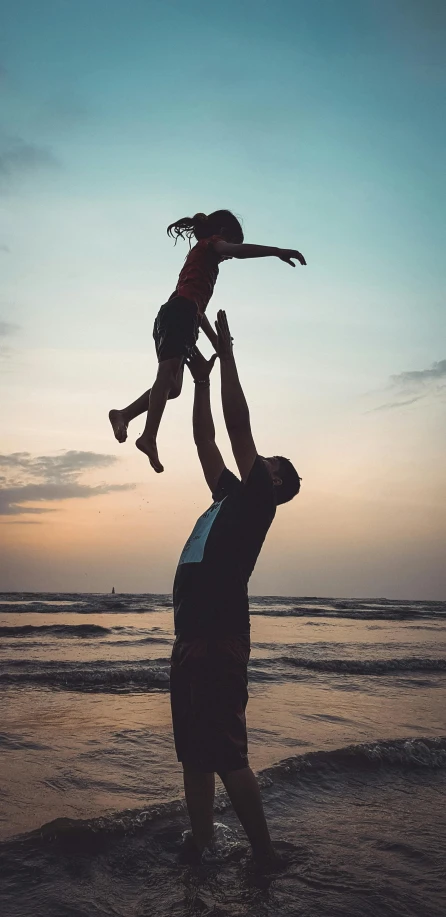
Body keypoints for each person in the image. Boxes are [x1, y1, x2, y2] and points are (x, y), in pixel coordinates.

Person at [170, 310, 301, 869]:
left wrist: (226, 356)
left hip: (220, 639)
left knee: (226, 754)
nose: (257, 457)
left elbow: (236, 422)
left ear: (275, 482)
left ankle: (265, 855)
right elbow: (207, 440)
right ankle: (202, 844)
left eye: (267, 462)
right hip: (190, 638)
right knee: (194, 758)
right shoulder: (229, 495)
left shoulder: (259, 500)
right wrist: (199, 383)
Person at [109, 210, 306, 472]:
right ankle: (149, 436)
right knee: (167, 375)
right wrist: (276, 251)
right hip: (179, 314)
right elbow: (237, 253)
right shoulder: (210, 245)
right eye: (230, 247)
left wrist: (217, 343)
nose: (229, 256)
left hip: (179, 316)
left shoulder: (200, 266)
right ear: (223, 234)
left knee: (174, 387)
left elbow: (195, 308)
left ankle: (124, 414)